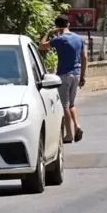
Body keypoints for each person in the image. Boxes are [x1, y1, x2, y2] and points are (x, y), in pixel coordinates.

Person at [39, 14, 87, 144]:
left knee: (64, 105)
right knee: (71, 104)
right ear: (68, 24)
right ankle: (77, 126)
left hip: (64, 75)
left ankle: (69, 135)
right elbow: (84, 58)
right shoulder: (78, 38)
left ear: (57, 27)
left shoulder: (59, 39)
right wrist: (82, 76)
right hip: (76, 74)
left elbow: (42, 46)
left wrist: (49, 33)